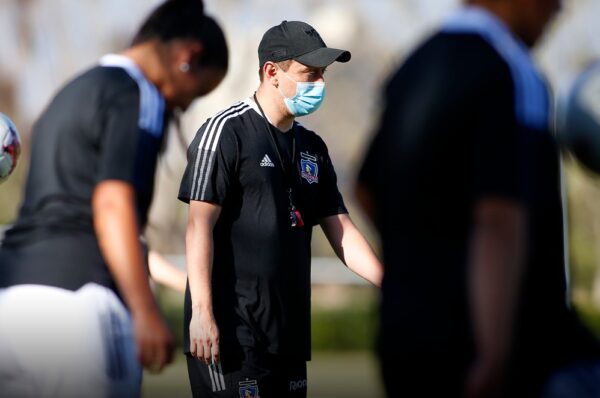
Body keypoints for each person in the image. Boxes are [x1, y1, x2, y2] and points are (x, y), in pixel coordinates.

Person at [356, 0, 600, 397]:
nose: (559, 8)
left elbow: (365, 189)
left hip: (404, 343)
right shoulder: (511, 69)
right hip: (499, 352)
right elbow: (498, 216)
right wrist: (495, 353)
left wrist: (422, 268)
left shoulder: (414, 64)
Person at [0, 0, 228, 396]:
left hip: (15, 302)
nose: (186, 104)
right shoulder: (138, 93)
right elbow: (111, 202)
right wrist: (144, 310)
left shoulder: (72, 90)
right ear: (187, 57)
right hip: (81, 309)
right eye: (198, 91)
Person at [178, 20, 383, 398]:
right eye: (309, 74)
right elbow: (198, 227)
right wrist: (202, 314)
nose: (319, 84)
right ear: (272, 72)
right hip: (231, 338)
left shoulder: (313, 147)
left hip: (288, 341)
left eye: (323, 74)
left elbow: (343, 234)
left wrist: (392, 283)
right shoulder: (225, 132)